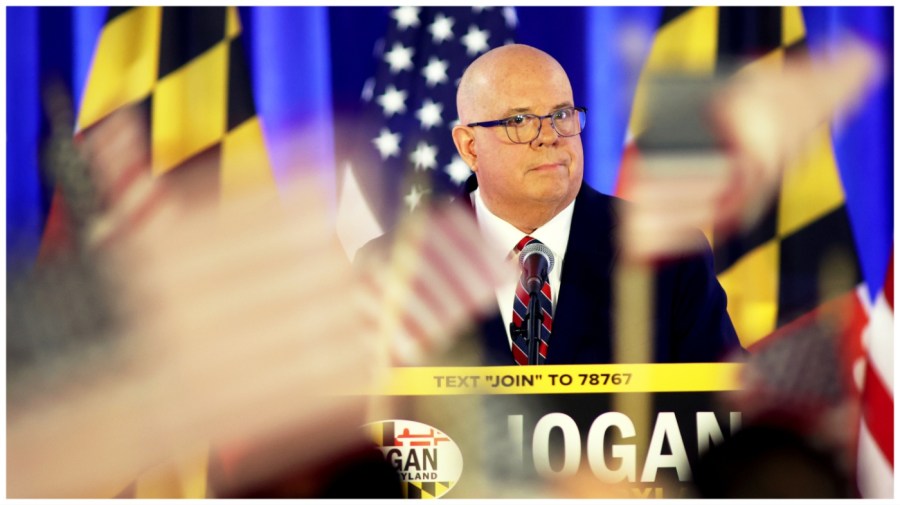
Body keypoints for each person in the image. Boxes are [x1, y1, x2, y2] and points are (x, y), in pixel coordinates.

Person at [359, 44, 741, 365]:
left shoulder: (668, 252)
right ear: (469, 147)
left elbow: (725, 407)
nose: (549, 137)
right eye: (520, 120)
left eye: (561, 115)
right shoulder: (397, 268)